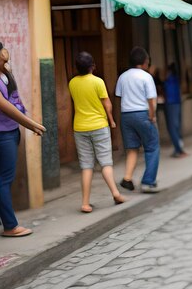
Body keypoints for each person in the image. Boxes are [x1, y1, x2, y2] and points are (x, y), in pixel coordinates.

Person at [0, 42, 45, 237]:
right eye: (1, 54)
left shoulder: (4, 75)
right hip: (2, 135)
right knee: (4, 180)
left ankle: (1, 220)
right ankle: (10, 226)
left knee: (0, 179)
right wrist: (30, 123)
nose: (5, 56)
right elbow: (3, 105)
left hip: (9, 131)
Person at [68, 52, 127, 213]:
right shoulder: (98, 82)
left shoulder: (72, 83)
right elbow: (107, 104)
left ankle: (85, 203)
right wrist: (111, 120)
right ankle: (115, 193)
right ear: (92, 66)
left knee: (86, 165)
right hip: (99, 126)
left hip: (80, 127)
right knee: (105, 162)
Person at [115, 47, 160, 193]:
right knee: (152, 146)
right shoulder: (146, 77)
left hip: (126, 116)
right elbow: (151, 100)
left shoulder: (123, 77)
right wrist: (152, 116)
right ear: (145, 62)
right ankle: (148, 182)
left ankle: (127, 179)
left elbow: (119, 96)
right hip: (142, 114)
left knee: (132, 148)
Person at [163, 63, 187, 157]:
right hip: (177, 103)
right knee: (177, 126)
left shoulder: (168, 81)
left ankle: (178, 149)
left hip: (170, 104)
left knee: (172, 127)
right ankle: (179, 148)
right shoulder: (176, 79)